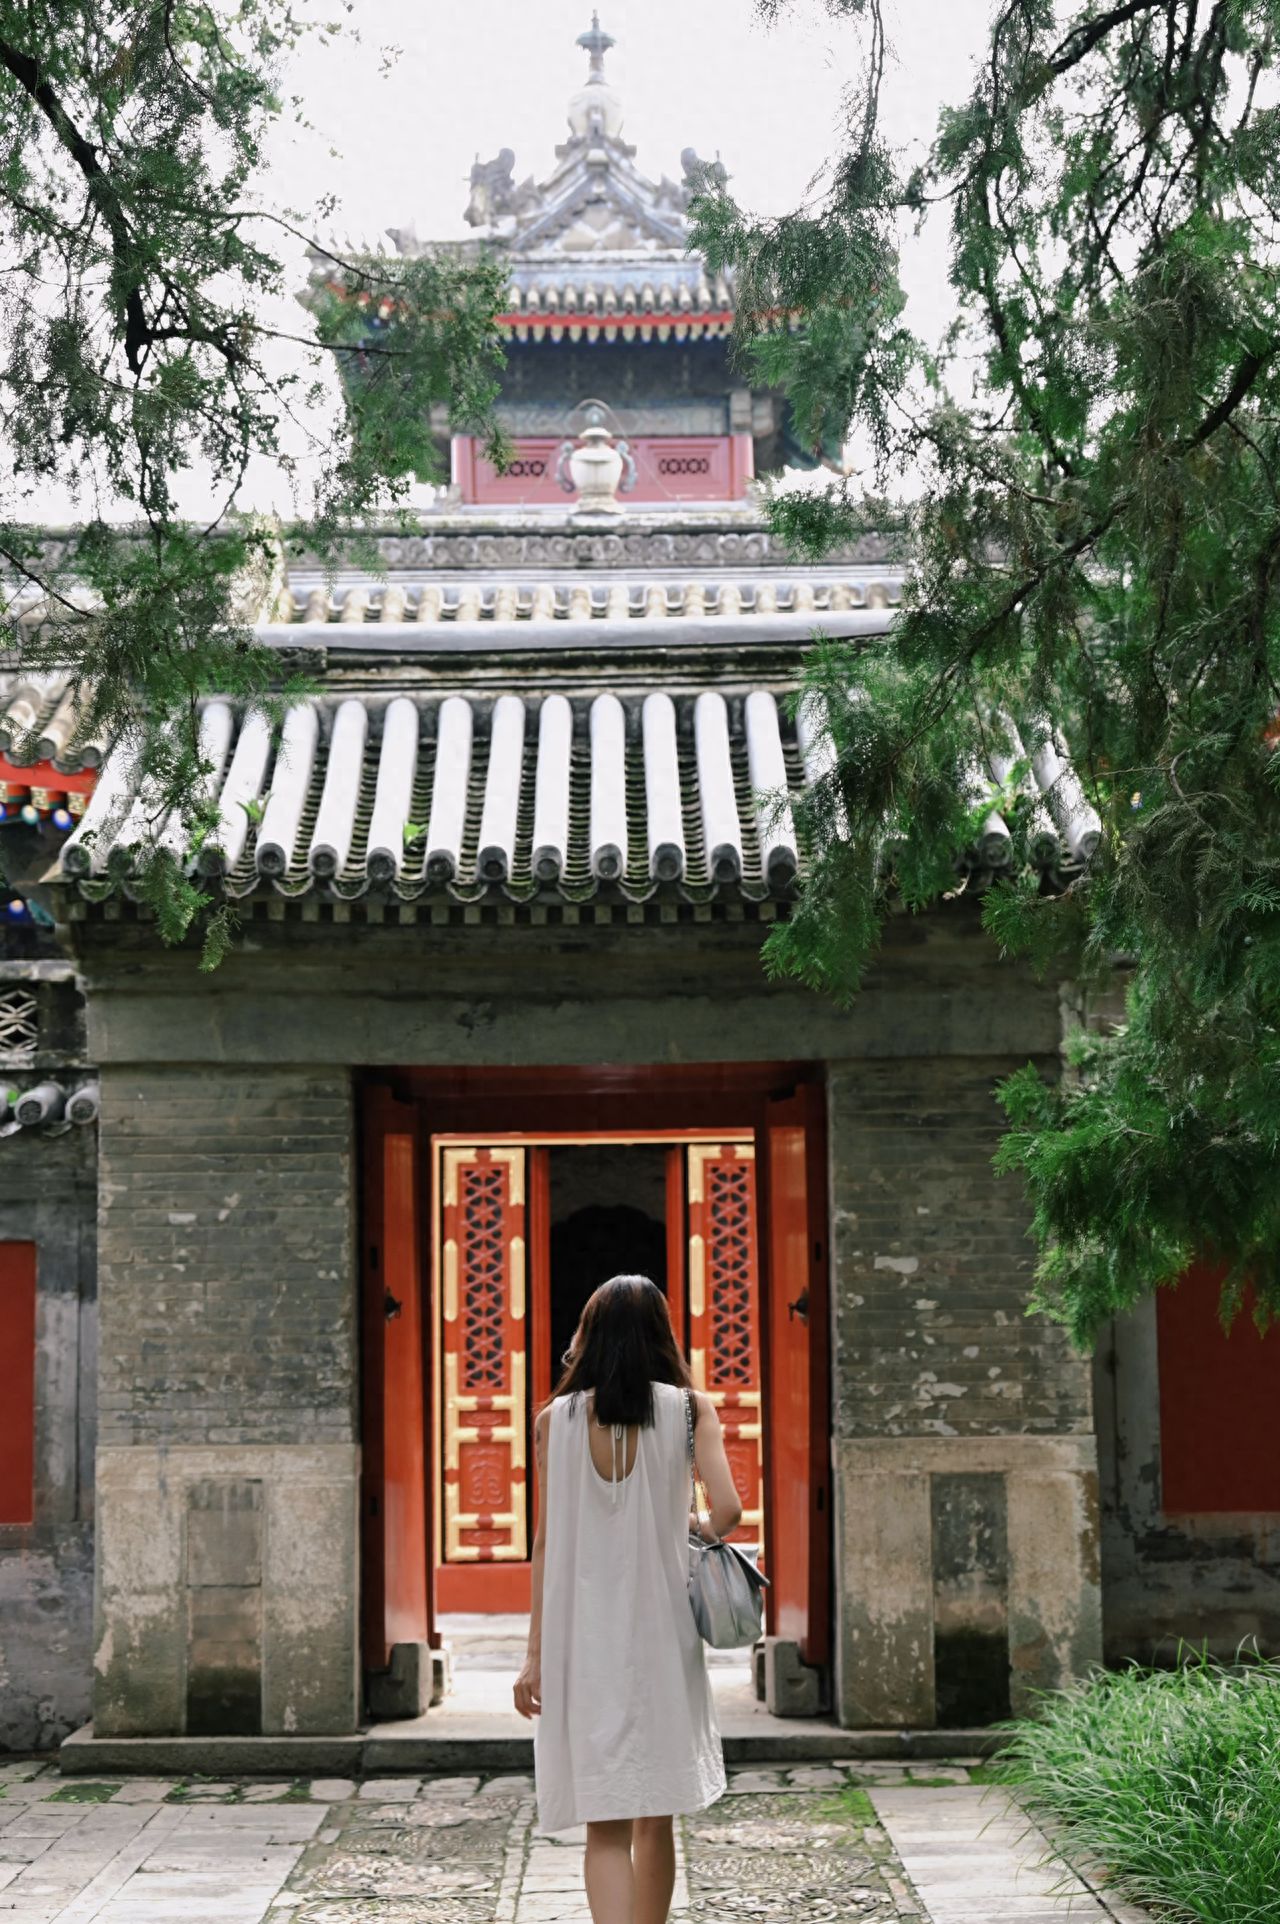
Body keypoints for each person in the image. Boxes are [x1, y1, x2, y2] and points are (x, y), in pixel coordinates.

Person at [513, 1272, 744, 1924]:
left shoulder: (551, 1423)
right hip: (660, 1632)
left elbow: (544, 1543)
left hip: (579, 1636)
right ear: (659, 1336)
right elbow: (727, 1511)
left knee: (604, 1827)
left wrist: (533, 1657)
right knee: (656, 1813)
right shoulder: (690, 1409)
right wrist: (687, 1528)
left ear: (588, 1336)